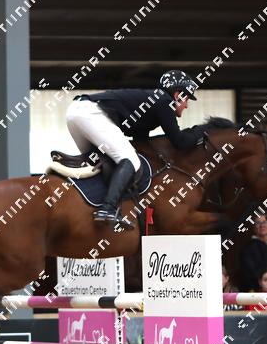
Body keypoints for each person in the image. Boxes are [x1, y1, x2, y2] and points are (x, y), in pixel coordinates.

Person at [65, 70, 200, 227]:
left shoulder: (154, 102)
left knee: (101, 163)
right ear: (177, 95)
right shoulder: (164, 101)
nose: (187, 105)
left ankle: (89, 207)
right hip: (90, 113)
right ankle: (108, 208)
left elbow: (140, 142)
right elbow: (180, 141)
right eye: (187, 99)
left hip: (76, 112)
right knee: (130, 160)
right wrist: (201, 132)